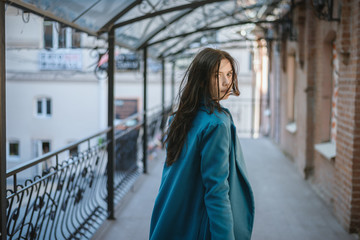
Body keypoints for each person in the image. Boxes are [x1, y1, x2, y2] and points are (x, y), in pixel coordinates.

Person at [149, 48, 255, 240]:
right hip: (198, 225)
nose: (226, 82)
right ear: (203, 79)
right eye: (217, 75)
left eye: (229, 74)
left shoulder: (179, 117)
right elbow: (217, 190)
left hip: (169, 216)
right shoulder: (216, 124)